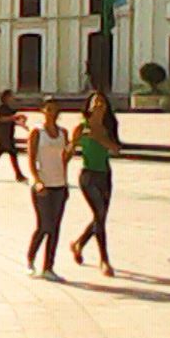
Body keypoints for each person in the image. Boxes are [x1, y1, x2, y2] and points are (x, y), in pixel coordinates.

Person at [69, 90, 121, 277]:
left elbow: (116, 150)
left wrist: (100, 139)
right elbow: (68, 152)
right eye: (95, 102)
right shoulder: (81, 127)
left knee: (101, 216)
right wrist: (70, 146)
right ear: (89, 106)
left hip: (105, 174)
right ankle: (104, 260)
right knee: (99, 215)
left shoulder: (108, 127)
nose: (99, 105)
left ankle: (78, 244)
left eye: (102, 102)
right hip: (88, 176)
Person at [26, 96, 72, 281]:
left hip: (59, 184)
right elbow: (31, 159)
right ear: (43, 111)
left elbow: (64, 160)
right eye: (49, 109)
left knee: (55, 227)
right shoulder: (37, 132)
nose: (52, 113)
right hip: (42, 185)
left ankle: (48, 267)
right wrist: (37, 180)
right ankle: (30, 259)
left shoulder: (63, 133)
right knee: (44, 225)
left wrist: (70, 152)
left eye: (55, 109)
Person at [0, 89, 28, 182]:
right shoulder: (1, 107)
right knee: (12, 153)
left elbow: (11, 119)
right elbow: (0, 119)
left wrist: (21, 123)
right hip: (4, 134)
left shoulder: (8, 107)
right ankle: (18, 175)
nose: (12, 98)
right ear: (5, 97)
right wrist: (15, 117)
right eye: (10, 96)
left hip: (8, 133)